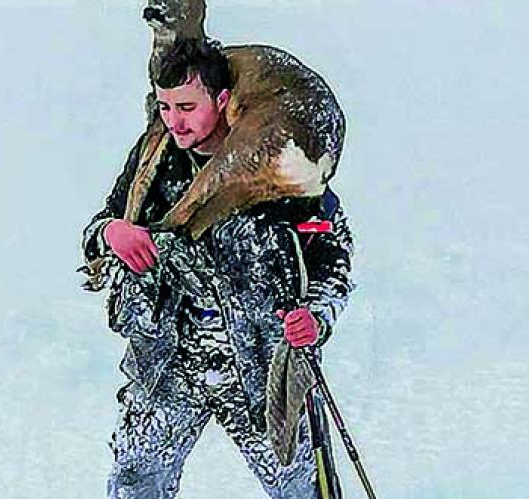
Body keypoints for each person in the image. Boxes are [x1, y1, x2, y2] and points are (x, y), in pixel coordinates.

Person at [80, 38, 355, 499]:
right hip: (168, 365)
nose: (174, 120)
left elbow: (334, 259)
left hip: (261, 371)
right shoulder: (155, 161)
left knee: (302, 488)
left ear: (223, 101)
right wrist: (112, 232)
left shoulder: (277, 169)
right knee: (135, 481)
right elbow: (98, 228)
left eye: (187, 106)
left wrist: (316, 316)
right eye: (165, 106)